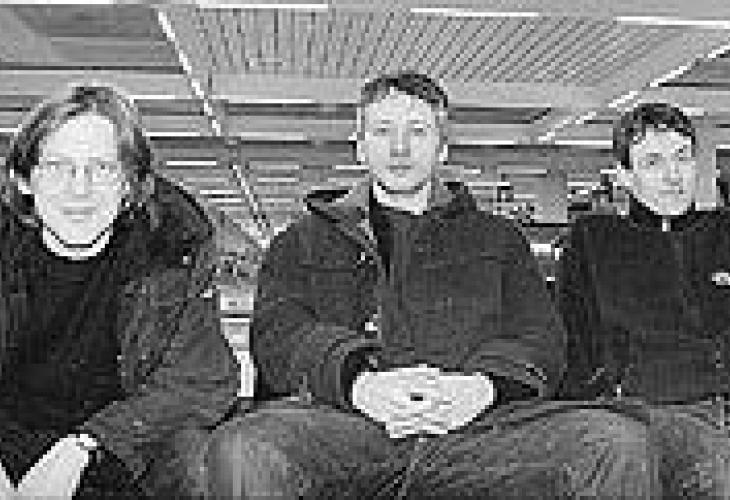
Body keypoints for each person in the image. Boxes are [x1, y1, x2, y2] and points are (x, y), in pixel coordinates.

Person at [205, 72, 651, 499]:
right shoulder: (301, 241)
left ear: (442, 148)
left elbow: (541, 337)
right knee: (246, 449)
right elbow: (278, 334)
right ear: (360, 147)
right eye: (383, 131)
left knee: (615, 442)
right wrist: (359, 383)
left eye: (417, 131)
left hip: (479, 431)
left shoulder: (498, 239)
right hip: (348, 427)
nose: (400, 147)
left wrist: (481, 388)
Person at [0, 84, 240, 498]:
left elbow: (202, 381)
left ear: (129, 184)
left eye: (102, 168)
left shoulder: (172, 245)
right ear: (24, 180)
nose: (79, 188)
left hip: (122, 441)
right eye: (57, 166)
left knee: (199, 465)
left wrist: (84, 447)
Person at [558, 102, 730, 498]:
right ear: (624, 175)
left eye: (682, 157)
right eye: (653, 162)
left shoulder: (723, 233)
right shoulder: (594, 241)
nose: (673, 175)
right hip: (651, 415)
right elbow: (575, 344)